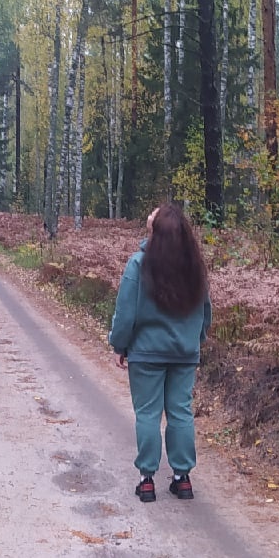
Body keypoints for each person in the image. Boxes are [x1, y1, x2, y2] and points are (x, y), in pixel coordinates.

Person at [108, 203, 212, 503]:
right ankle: (182, 479)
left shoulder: (139, 265)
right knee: (180, 412)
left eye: (152, 219)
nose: (148, 218)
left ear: (156, 232)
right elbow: (205, 312)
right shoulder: (195, 268)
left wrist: (120, 345)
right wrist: (196, 340)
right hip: (184, 353)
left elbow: (125, 314)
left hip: (146, 354)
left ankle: (147, 480)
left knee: (148, 414)